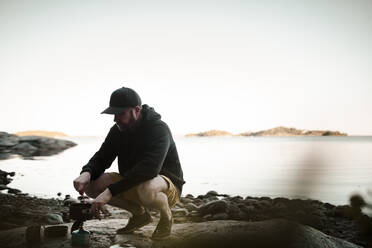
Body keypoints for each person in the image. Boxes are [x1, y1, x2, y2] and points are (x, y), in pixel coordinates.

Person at [73, 87, 185, 240]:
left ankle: (166, 216)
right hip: (132, 183)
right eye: (114, 114)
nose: (115, 119)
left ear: (137, 110)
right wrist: (87, 173)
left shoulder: (159, 129)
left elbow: (150, 169)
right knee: (91, 185)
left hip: (165, 186)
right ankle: (140, 215)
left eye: (121, 113)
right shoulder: (117, 130)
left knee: (146, 187)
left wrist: (109, 192)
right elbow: (102, 156)